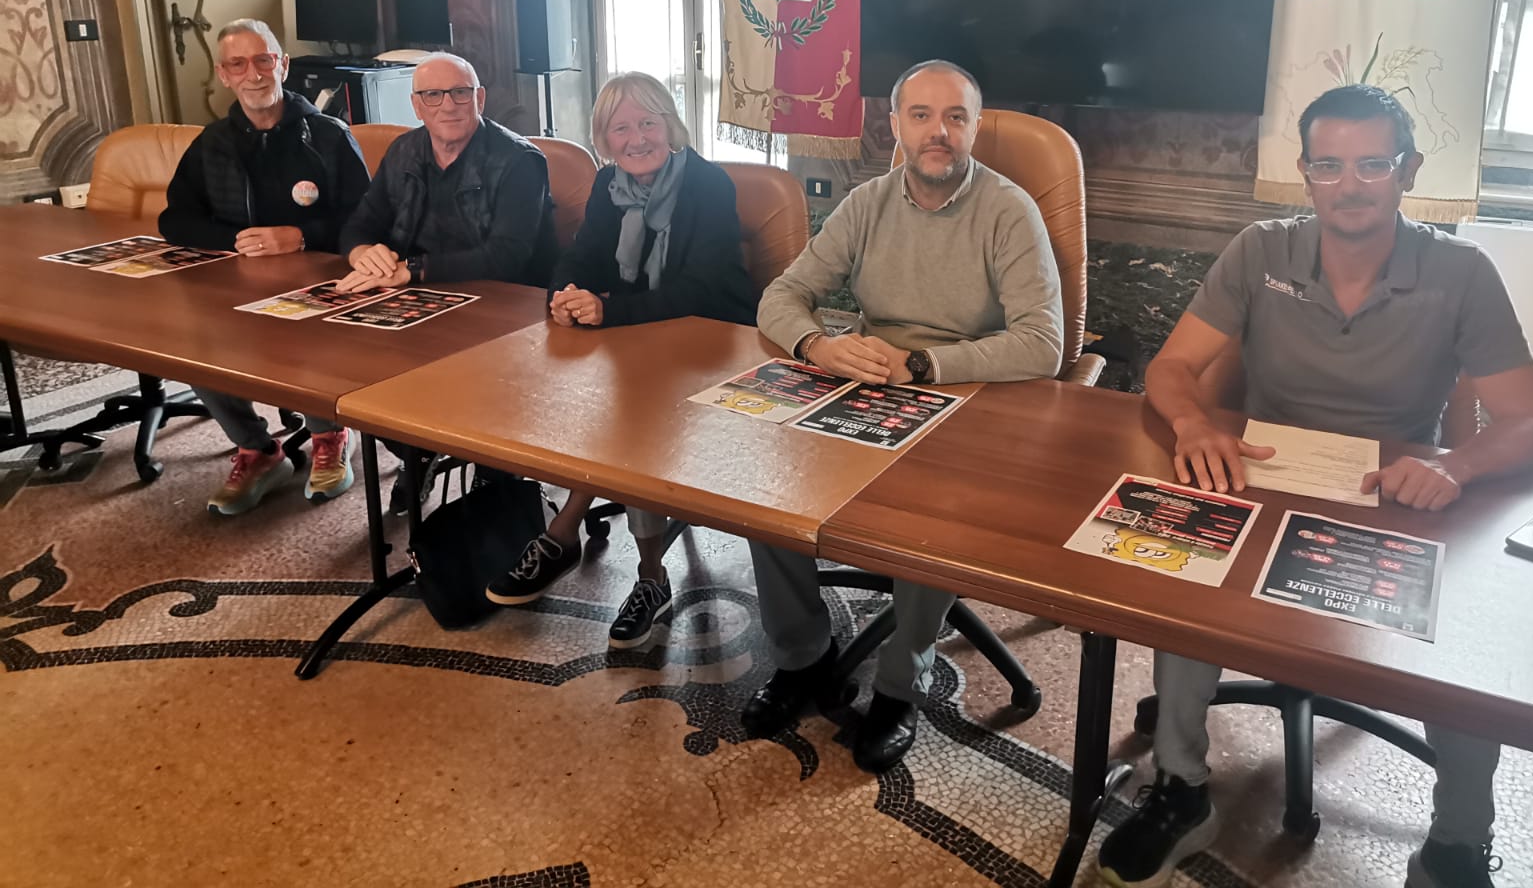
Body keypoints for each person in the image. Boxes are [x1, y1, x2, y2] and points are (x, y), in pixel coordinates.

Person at [1096, 85, 1533, 888]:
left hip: (1395, 494)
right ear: (1305, 172)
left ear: (1408, 170)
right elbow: (1171, 369)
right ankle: (1180, 788)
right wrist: (1197, 425)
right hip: (1266, 476)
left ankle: (1456, 842)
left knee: (1467, 636)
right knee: (1183, 569)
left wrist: (1454, 465)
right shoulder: (1261, 250)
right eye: (1329, 165)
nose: (1349, 185)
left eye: (1373, 164)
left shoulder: (1462, 272)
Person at [742, 59, 1065, 772]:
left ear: (973, 128)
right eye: (921, 115)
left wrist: (921, 365)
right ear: (894, 126)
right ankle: (803, 657)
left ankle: (899, 684)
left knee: (933, 515)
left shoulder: (1009, 210)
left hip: (970, 400)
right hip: (869, 392)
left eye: (955, 117)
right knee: (767, 486)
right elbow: (782, 297)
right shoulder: (867, 204)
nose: (937, 132)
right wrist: (820, 346)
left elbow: (1044, 344)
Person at [482, 72, 757, 648]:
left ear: (671, 126)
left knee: (634, 417)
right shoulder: (610, 183)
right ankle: (573, 537)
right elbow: (578, 256)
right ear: (604, 139)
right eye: (620, 128)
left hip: (713, 345)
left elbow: (703, 288)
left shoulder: (708, 184)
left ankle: (632, 567)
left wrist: (611, 311)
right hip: (636, 343)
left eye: (648, 123)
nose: (636, 139)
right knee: (603, 401)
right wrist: (565, 294)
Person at [159, 18, 371, 516]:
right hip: (238, 282)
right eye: (238, 64)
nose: (253, 74)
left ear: (283, 65)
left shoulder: (328, 136)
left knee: (309, 337)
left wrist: (301, 236)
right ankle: (256, 449)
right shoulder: (212, 142)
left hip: (319, 283)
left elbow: (366, 220)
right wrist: (232, 241)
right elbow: (175, 219)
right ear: (223, 75)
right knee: (192, 343)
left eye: (263, 60)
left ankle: (328, 434)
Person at [337, 52, 558, 511]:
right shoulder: (403, 152)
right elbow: (358, 224)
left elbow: (507, 256)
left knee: (482, 392)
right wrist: (362, 252)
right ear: (416, 105)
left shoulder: (519, 160)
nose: (448, 105)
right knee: (356, 370)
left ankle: (494, 467)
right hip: (419, 303)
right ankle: (417, 451)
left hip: (504, 311)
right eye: (433, 95)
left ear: (479, 98)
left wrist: (413, 270)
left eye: (460, 92)